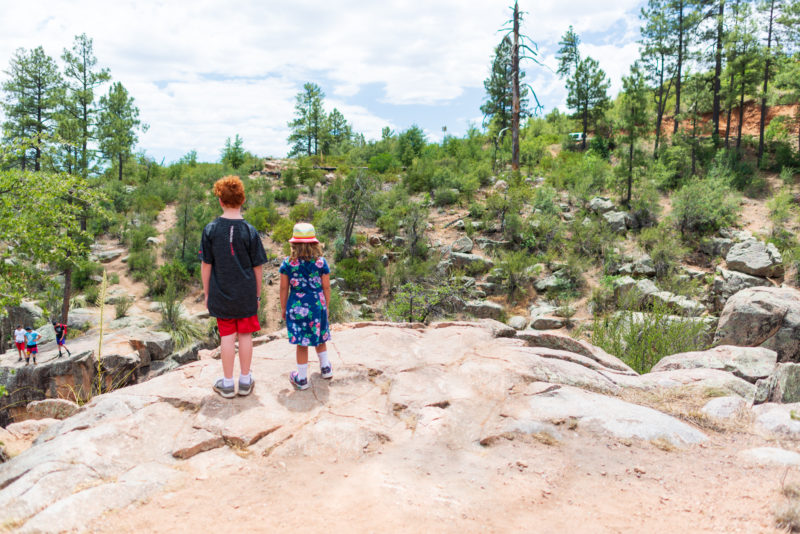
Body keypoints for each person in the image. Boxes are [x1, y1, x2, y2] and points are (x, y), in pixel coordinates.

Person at [200, 175, 268, 399]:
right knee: (246, 335)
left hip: (222, 293)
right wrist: (257, 295)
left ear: (220, 200)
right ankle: (246, 381)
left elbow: (206, 264)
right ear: (242, 200)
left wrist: (207, 292)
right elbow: (257, 267)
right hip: (246, 293)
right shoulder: (249, 230)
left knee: (227, 336)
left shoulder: (210, 229)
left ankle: (228, 383)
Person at [279, 222, 332, 390]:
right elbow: (326, 286)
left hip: (297, 307)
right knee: (320, 335)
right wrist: (326, 305)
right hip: (317, 304)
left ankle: (301, 379)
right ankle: (325, 368)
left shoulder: (288, 263)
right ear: (314, 243)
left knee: (302, 343)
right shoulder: (320, 263)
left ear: (293, 244)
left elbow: (283, 288)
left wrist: (283, 308)